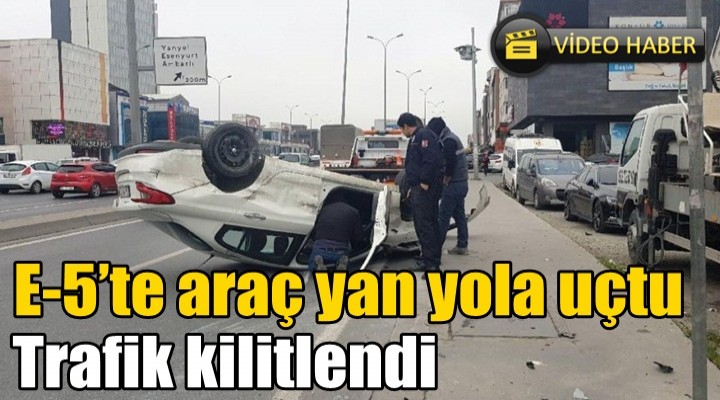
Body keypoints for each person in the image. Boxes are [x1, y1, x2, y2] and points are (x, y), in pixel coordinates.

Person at [398, 112, 444, 272]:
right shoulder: (417, 137)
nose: (402, 133)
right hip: (419, 187)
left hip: (426, 188)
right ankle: (428, 258)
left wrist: (424, 181)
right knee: (423, 224)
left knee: (425, 225)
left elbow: (430, 160)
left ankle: (432, 264)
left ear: (406, 126)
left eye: (401, 129)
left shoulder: (423, 136)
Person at [427, 117, 470, 256]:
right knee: (459, 215)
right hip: (462, 183)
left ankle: (434, 250)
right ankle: (462, 245)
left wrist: (446, 178)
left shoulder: (448, 141)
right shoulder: (452, 138)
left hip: (454, 185)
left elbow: (450, 163)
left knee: (443, 216)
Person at [307, 192, 363, 272]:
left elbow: (314, 231)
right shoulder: (354, 212)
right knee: (346, 254)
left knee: (312, 261)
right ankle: (341, 262)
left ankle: (317, 265)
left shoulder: (323, 209)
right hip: (340, 250)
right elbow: (358, 237)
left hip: (320, 248)